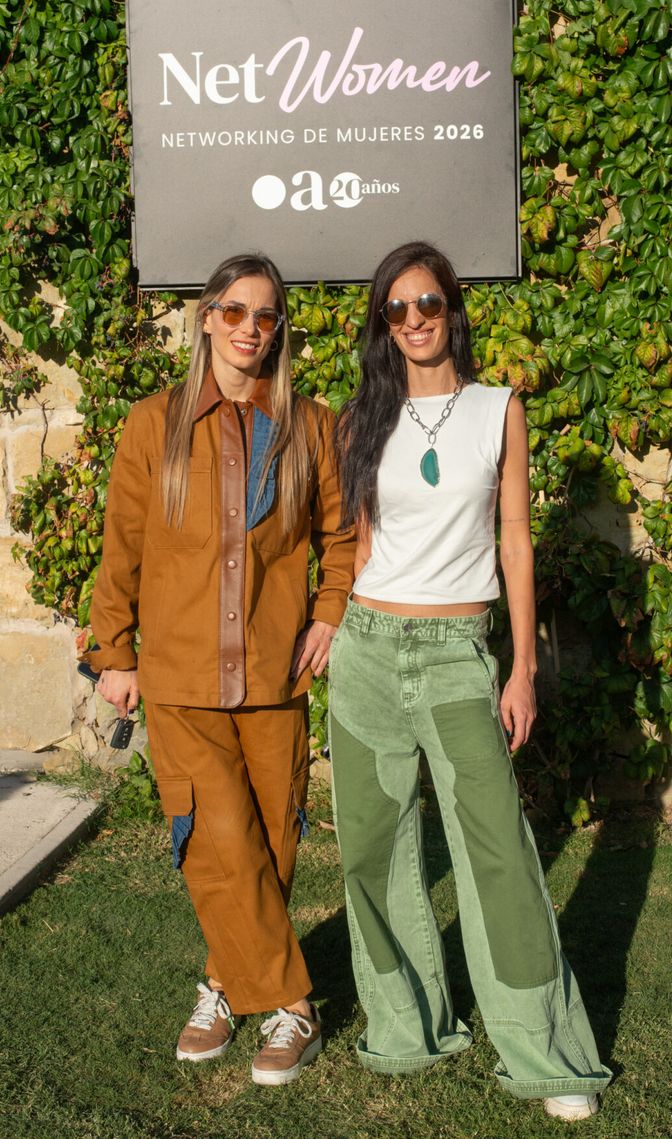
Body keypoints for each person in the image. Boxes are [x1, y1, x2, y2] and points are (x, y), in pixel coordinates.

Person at [329, 241, 611, 1121]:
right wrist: (329, 623)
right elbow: (361, 549)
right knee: (372, 852)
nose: (415, 320)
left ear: (453, 309)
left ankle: (544, 1051)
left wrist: (521, 667)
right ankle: (406, 1026)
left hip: (458, 654)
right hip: (366, 651)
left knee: (497, 849)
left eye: (430, 304)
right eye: (398, 309)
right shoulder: (359, 418)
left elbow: (515, 541)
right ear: (383, 323)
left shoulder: (497, 410)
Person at [83, 252, 354, 1086]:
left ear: (279, 330)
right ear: (206, 318)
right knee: (216, 838)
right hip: (179, 675)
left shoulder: (312, 426)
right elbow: (122, 546)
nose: (249, 328)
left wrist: (329, 613)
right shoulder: (151, 425)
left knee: (269, 848)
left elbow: (343, 539)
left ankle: (221, 986)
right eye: (234, 311)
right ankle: (294, 1007)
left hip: (274, 675)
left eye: (265, 316)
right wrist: (113, 652)